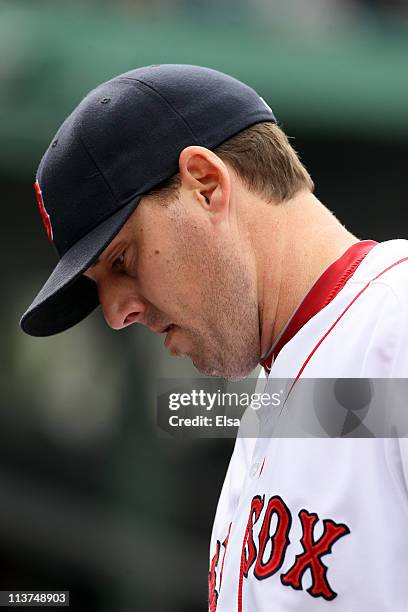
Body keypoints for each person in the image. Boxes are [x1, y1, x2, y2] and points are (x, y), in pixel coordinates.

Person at [20, 65, 408, 611]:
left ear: (205, 183)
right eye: (98, 287)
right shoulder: (278, 399)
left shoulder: (395, 328)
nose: (115, 314)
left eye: (124, 260)